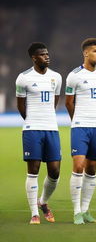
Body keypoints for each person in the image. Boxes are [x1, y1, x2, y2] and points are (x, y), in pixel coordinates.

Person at [16, 42, 62, 224]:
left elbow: (55, 101)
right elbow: (21, 105)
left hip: (52, 129)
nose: (47, 57)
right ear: (34, 58)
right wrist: (32, 121)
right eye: (43, 55)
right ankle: (34, 213)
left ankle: (43, 202)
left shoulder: (56, 77)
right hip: (32, 129)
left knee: (55, 171)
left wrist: (46, 118)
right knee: (33, 169)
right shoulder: (23, 78)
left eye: (48, 54)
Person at [65, 38, 96, 225]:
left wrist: (93, 116)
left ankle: (85, 210)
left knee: (91, 168)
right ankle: (76, 212)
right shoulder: (73, 76)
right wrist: (78, 119)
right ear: (85, 53)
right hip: (80, 126)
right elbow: (68, 102)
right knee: (79, 166)